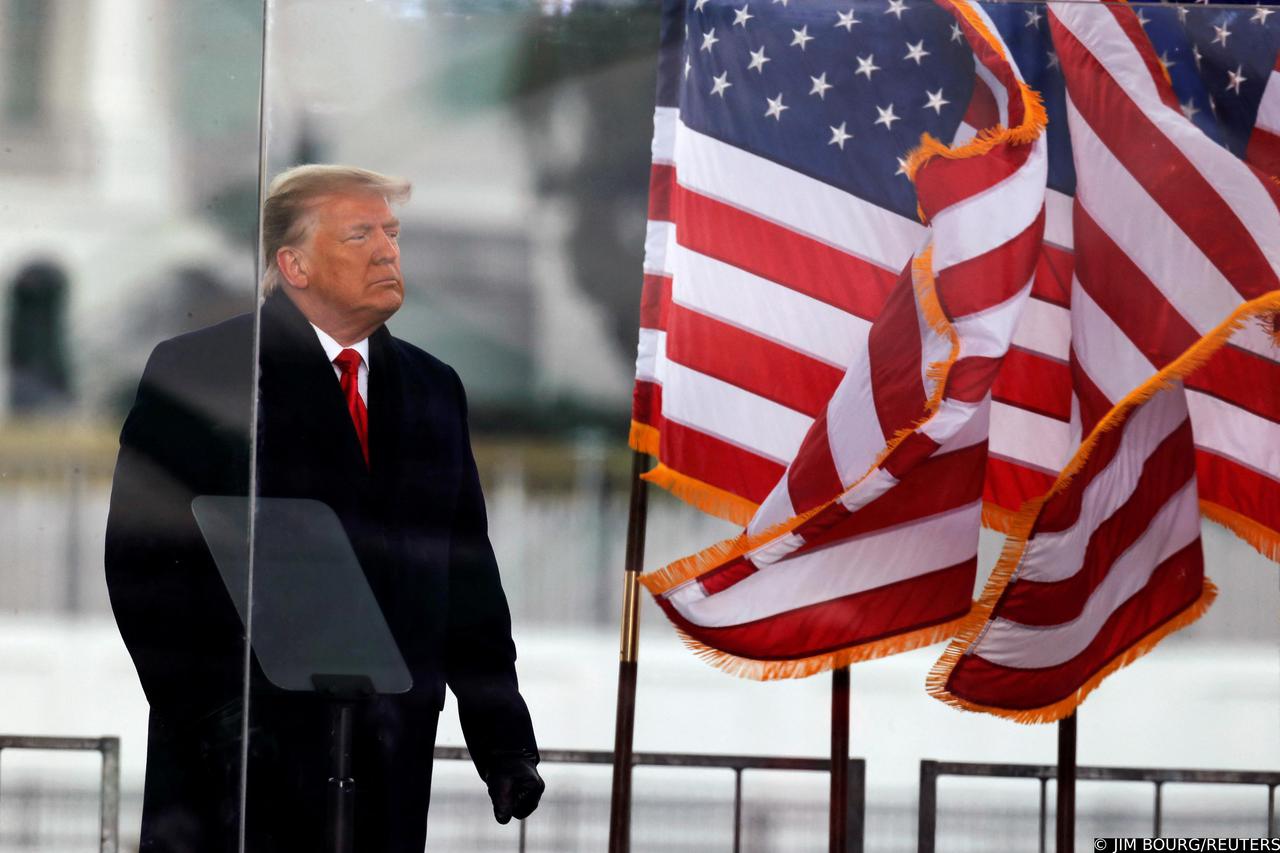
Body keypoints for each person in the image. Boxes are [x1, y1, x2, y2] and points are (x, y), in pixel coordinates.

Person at [105, 164, 543, 852]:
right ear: (295, 264)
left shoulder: (434, 389)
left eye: (391, 233)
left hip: (384, 765)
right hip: (235, 774)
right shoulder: (206, 371)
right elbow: (144, 562)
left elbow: (467, 580)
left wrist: (504, 744)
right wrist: (217, 716)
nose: (388, 251)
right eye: (360, 233)